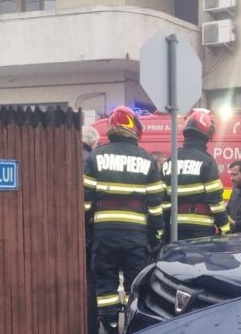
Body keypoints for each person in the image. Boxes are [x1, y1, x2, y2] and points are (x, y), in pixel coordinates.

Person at [83, 106, 165, 334]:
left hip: (104, 234)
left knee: (105, 284)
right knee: (135, 284)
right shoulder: (146, 159)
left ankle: (110, 327)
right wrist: (157, 234)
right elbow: (155, 205)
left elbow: (86, 201)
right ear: (134, 128)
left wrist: (87, 231)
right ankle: (131, 325)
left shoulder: (96, 156)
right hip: (136, 236)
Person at [162, 110, 230, 240]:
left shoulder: (170, 160)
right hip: (200, 228)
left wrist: (165, 228)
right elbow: (215, 199)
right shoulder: (207, 161)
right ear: (206, 134)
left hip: (174, 227)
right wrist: (225, 227)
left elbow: (164, 200)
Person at [81, 125, 100, 334]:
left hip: (69, 233)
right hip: (89, 233)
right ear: (94, 142)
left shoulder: (70, 155)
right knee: (91, 282)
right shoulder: (91, 160)